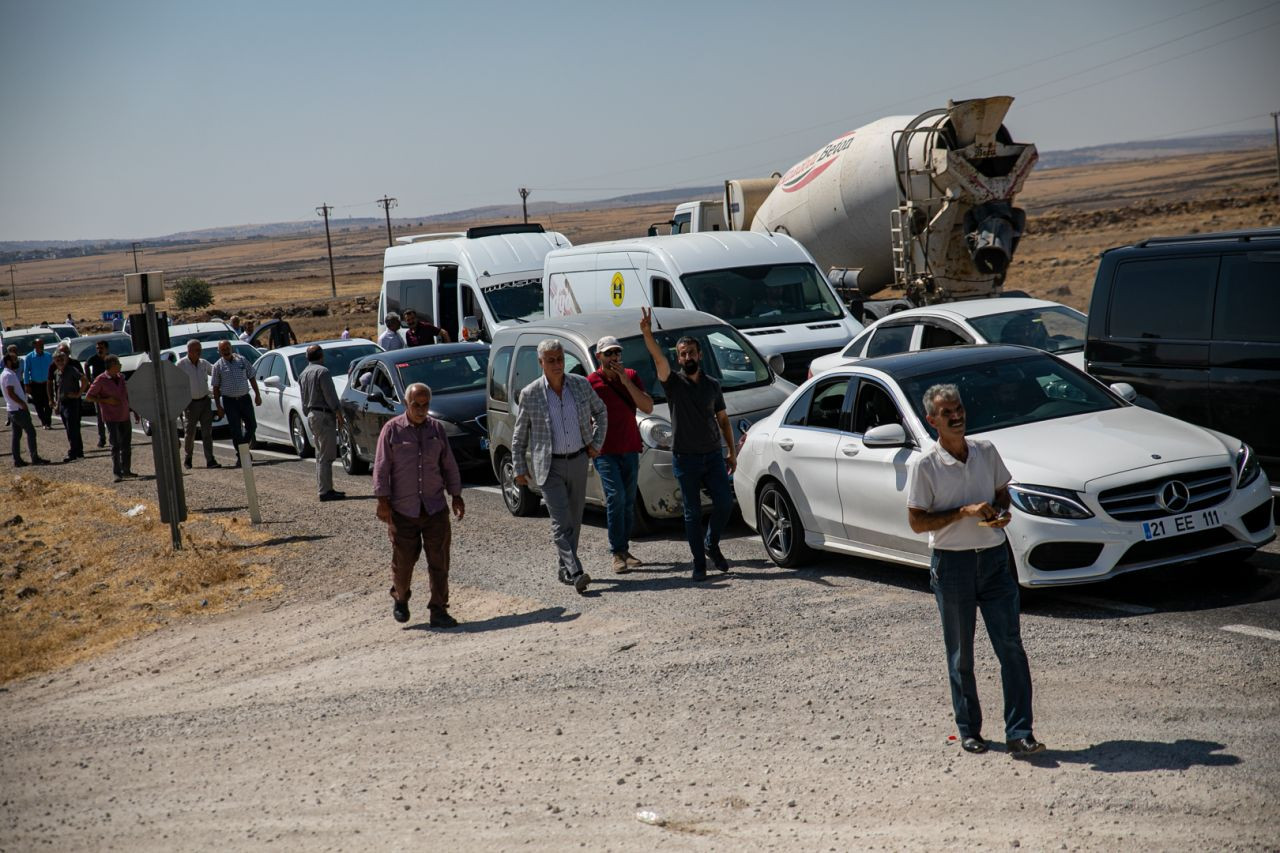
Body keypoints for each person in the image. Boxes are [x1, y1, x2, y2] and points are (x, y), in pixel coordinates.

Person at [906, 383, 1044, 758]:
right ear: (931, 420)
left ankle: (1020, 732)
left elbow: (1003, 492)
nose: (957, 415)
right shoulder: (925, 464)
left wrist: (1001, 513)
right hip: (953, 566)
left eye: (960, 408)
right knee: (960, 655)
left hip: (996, 561)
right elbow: (917, 522)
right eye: (947, 412)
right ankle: (969, 730)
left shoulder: (985, 451)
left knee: (1011, 649)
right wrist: (964, 512)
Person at [639, 308, 736, 580]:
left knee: (725, 503)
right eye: (683, 354)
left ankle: (711, 544)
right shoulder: (673, 384)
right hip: (685, 459)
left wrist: (731, 451)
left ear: (700, 355)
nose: (687, 357)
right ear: (678, 358)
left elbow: (724, 420)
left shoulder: (713, 385)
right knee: (692, 514)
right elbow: (658, 358)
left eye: (691, 352)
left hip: (713, 456)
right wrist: (647, 334)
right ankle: (699, 564)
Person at [512, 339, 607, 594]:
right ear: (541, 362)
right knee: (560, 521)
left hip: (577, 460)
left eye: (560, 359)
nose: (557, 364)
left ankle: (564, 568)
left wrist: (596, 442)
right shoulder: (530, 394)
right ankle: (576, 571)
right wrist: (519, 468)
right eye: (551, 360)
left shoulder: (580, 384)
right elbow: (519, 436)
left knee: (574, 520)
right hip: (548, 465)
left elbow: (601, 411)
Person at [373, 382, 465, 627]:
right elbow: (381, 468)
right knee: (403, 562)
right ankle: (401, 597)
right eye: (416, 405)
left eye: (426, 405)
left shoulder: (437, 430)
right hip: (403, 510)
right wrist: (382, 502)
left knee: (439, 562)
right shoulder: (391, 431)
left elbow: (449, 465)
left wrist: (456, 495)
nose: (422, 410)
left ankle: (439, 610)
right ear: (406, 404)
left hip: (434, 507)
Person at [588, 335, 654, 573]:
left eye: (617, 353)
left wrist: (626, 381)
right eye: (609, 353)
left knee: (627, 502)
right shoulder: (591, 382)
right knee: (615, 498)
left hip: (629, 447)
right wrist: (589, 446)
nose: (614, 357)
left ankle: (624, 550)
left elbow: (647, 407)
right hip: (605, 451)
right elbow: (584, 416)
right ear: (599, 357)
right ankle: (616, 552)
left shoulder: (632, 376)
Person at [298, 344, 345, 501]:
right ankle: (325, 491)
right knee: (326, 455)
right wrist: (338, 413)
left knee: (320, 454)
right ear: (321, 356)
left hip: (312, 415)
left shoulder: (303, 373)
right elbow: (330, 396)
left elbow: (304, 400)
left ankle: (325, 488)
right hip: (323, 415)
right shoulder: (322, 372)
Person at [85, 355, 138, 482]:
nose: (120, 365)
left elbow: (127, 395)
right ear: (111, 366)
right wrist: (105, 400)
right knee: (115, 445)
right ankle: (117, 473)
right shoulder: (100, 380)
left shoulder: (121, 378)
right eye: (118, 363)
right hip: (111, 417)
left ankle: (126, 470)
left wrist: (135, 410)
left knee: (126, 445)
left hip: (124, 415)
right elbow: (89, 397)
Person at [212, 339, 262, 467]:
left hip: (245, 398)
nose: (226, 351)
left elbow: (251, 377)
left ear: (231, 348)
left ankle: (242, 449)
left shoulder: (242, 360)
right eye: (223, 349)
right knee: (236, 430)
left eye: (227, 348)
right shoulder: (218, 366)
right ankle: (242, 455)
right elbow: (216, 388)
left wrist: (257, 394)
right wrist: (218, 406)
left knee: (252, 426)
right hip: (229, 401)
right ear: (219, 352)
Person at [176, 339, 219, 469]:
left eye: (200, 350)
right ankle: (188, 458)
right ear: (189, 351)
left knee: (207, 433)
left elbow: (215, 372)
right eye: (196, 350)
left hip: (205, 401)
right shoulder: (180, 365)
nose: (199, 352)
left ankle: (210, 459)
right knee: (190, 433)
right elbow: (174, 383)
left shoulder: (203, 363)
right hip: (190, 404)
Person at [3, 352, 48, 466]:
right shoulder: (8, 375)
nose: (16, 362)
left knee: (16, 435)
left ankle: (17, 460)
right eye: (14, 359)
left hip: (12, 409)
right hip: (18, 409)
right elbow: (10, 392)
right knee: (31, 432)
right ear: (8, 361)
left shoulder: (6, 374)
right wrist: (22, 403)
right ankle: (34, 458)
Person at [51, 350, 88, 462]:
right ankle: (79, 451)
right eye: (58, 360)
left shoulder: (71, 370)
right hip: (63, 403)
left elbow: (84, 380)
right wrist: (57, 404)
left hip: (72, 402)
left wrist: (78, 394)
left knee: (72, 427)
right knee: (69, 428)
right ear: (54, 361)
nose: (60, 362)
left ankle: (73, 452)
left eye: (62, 359)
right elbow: (58, 389)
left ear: (65, 359)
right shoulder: (57, 373)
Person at [21, 337, 53, 429]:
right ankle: (43, 422)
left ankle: (48, 422)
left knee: (48, 403)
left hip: (47, 384)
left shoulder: (48, 356)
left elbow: (52, 369)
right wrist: (26, 384)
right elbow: (26, 371)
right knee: (38, 404)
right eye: (40, 345)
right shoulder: (29, 357)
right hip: (35, 384)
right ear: (35, 345)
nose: (42, 346)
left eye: (42, 344)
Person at [84, 339, 111, 448]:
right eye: (97, 348)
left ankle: (113, 437)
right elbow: (86, 364)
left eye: (101, 348)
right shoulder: (93, 359)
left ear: (106, 349)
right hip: (98, 391)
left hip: (109, 389)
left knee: (111, 414)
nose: (99, 350)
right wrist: (89, 380)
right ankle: (102, 439)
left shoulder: (110, 359)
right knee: (100, 415)